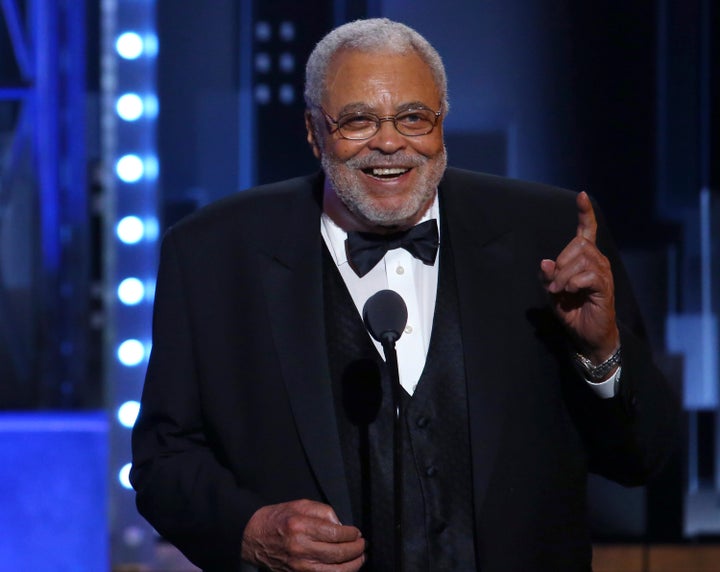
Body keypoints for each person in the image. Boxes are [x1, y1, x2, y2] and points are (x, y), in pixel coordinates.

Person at [131, 18, 678, 572]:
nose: (389, 142)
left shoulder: (552, 232)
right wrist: (250, 531)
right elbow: (163, 462)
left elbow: (644, 457)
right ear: (313, 131)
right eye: (357, 120)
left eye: (414, 117)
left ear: (442, 123)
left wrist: (601, 354)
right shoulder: (211, 255)